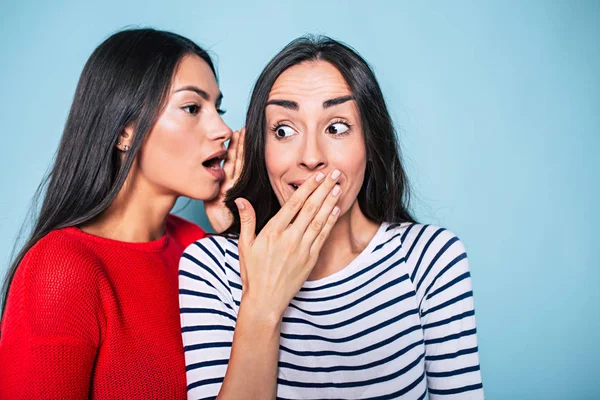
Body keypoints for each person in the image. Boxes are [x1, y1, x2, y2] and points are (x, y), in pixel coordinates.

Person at [179, 35, 484, 399]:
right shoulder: (210, 268)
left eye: (336, 126)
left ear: (371, 142)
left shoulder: (430, 258)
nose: (311, 157)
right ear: (263, 151)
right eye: (283, 130)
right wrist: (262, 306)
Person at [0, 28, 243, 399]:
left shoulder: (198, 247)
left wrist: (234, 235)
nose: (223, 130)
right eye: (193, 108)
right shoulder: (60, 269)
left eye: (217, 108)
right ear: (125, 130)